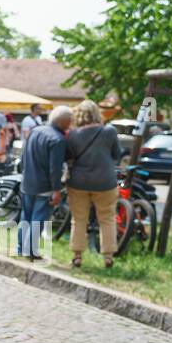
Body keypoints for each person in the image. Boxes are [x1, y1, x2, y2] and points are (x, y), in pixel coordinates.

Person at [65, 99, 123, 268]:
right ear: (97, 113)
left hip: (78, 183)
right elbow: (116, 155)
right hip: (105, 182)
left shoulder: (73, 135)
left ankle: (77, 256)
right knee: (107, 219)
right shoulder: (109, 131)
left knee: (79, 219)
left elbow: (69, 158)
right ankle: (108, 256)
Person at [17, 105, 71, 260]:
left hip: (28, 182)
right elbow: (55, 168)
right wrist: (56, 190)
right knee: (38, 219)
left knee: (25, 216)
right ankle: (31, 251)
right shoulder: (58, 139)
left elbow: (23, 156)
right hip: (44, 186)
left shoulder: (36, 131)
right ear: (65, 123)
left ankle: (21, 248)